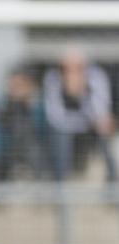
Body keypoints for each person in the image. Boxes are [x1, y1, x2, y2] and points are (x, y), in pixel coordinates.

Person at [43, 47, 116, 182]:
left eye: (77, 67)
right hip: (64, 128)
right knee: (59, 141)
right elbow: (55, 117)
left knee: (104, 134)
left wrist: (81, 92)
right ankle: (60, 191)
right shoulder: (53, 78)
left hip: (90, 126)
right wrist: (70, 93)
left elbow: (100, 110)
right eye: (67, 68)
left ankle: (113, 185)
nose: (72, 72)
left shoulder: (96, 76)